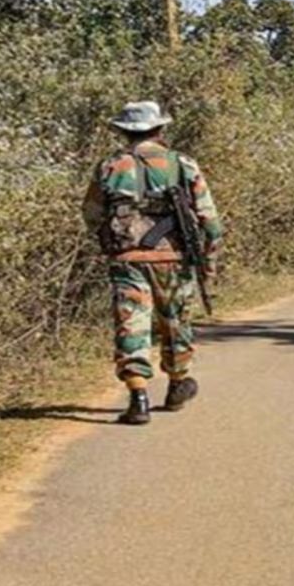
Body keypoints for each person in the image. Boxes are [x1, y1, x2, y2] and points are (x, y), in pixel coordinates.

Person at [83, 101, 224, 426]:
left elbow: (91, 214)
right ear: (160, 129)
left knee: (131, 322)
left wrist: (111, 240)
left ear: (123, 132)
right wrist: (209, 263)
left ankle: (138, 398)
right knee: (176, 322)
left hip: (127, 259)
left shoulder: (109, 166)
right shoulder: (183, 164)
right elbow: (211, 222)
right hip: (173, 259)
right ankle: (177, 386)